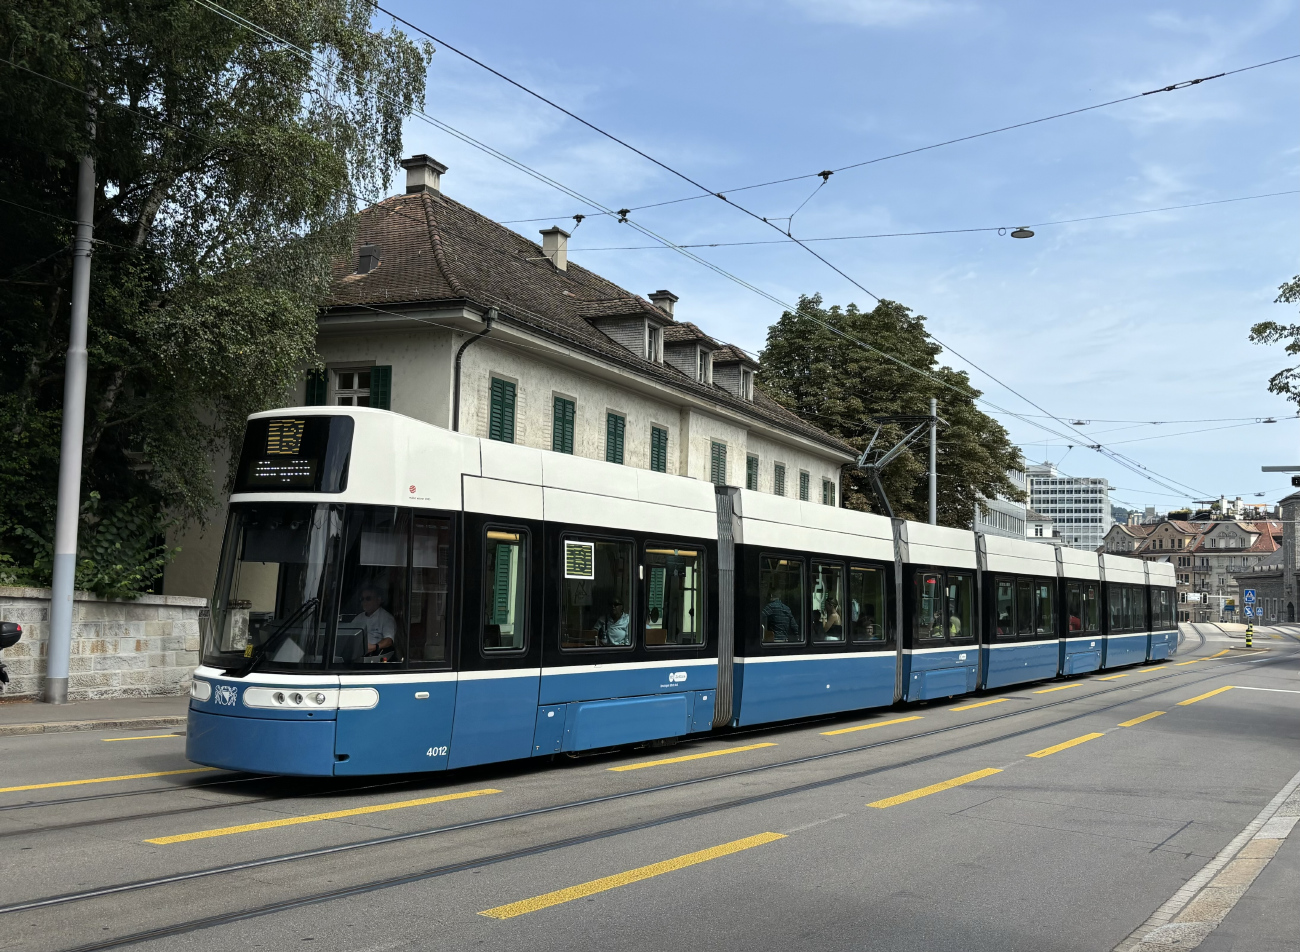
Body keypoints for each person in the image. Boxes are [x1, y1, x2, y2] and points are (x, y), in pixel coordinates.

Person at [354, 585, 397, 657]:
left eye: (368, 598)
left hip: (374, 656)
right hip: (355, 654)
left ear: (379, 600)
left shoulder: (386, 618)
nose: (364, 602)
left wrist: (374, 647)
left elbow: (389, 640)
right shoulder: (359, 618)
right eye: (362, 599)